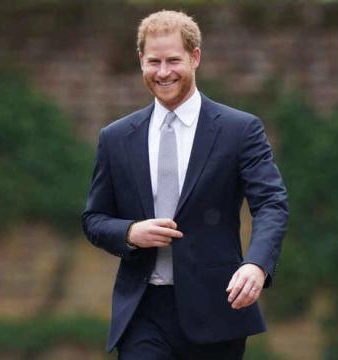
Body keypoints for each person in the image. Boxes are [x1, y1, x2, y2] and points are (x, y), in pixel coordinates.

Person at [82, 10, 288, 359]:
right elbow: (94, 219)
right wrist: (131, 232)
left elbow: (271, 204)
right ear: (141, 62)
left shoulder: (239, 130)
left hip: (217, 306)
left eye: (173, 60)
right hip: (143, 311)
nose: (163, 72)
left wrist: (256, 264)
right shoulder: (115, 138)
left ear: (195, 57)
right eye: (154, 62)